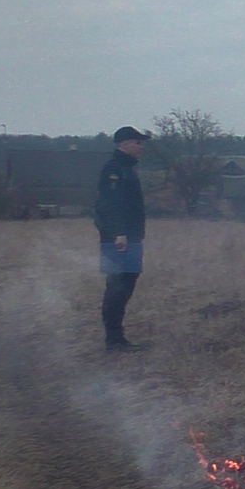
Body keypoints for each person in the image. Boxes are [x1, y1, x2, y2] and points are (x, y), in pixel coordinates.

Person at [95, 125, 150, 351]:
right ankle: (114, 340)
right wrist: (118, 233)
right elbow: (109, 203)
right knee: (118, 286)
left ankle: (116, 338)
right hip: (119, 239)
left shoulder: (126, 168)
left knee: (126, 283)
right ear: (124, 143)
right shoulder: (114, 169)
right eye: (138, 142)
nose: (141, 146)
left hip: (129, 236)